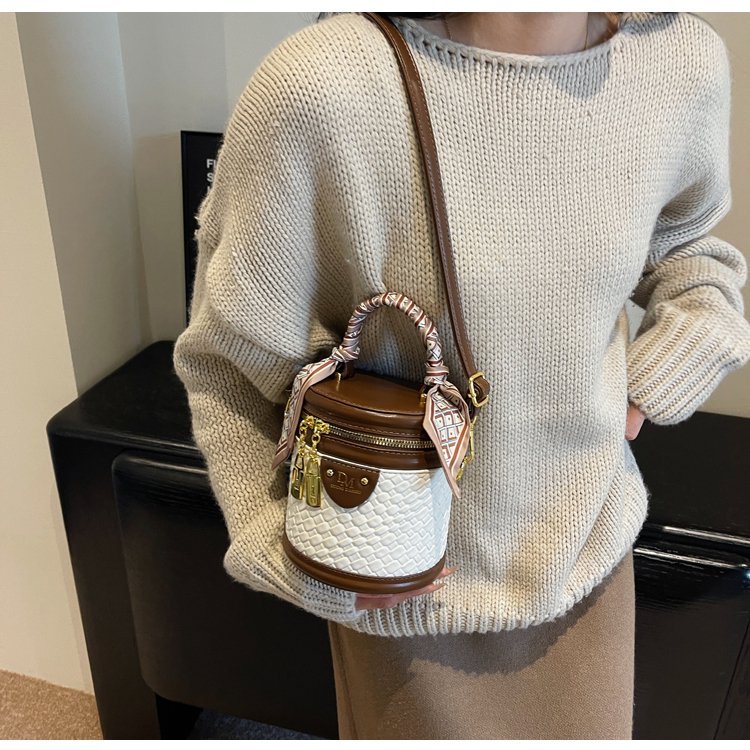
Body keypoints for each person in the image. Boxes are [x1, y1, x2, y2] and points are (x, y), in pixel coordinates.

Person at [172, 11, 750, 740]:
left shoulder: (681, 64)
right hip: (403, 590)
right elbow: (227, 362)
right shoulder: (319, 87)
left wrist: (671, 362)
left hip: (589, 555)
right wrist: (290, 551)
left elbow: (689, 247)